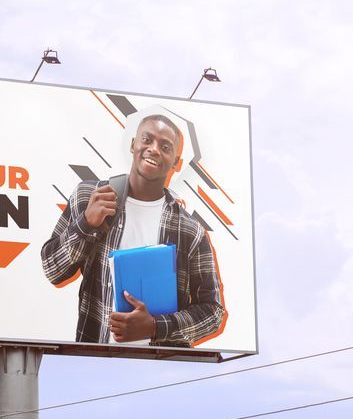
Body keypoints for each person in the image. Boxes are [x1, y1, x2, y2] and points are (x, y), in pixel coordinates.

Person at [41, 114, 225, 347]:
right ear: (133, 144)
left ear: (176, 163)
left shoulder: (190, 230)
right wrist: (87, 224)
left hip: (161, 369)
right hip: (95, 362)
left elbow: (212, 312)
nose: (154, 149)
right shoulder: (90, 196)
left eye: (165, 146)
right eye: (147, 139)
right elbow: (52, 270)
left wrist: (156, 327)